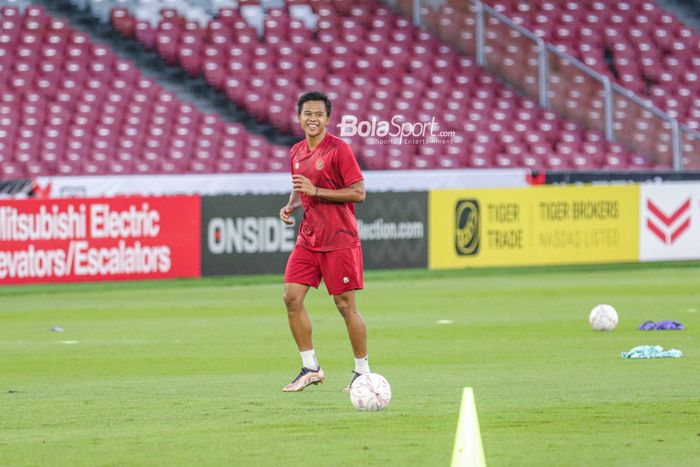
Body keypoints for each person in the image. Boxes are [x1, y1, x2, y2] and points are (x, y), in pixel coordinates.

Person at [279, 91, 370, 392]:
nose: (313, 119)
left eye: (319, 114)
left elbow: (358, 193)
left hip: (339, 239)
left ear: (328, 119)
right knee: (291, 297)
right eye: (308, 113)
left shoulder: (339, 150)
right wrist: (292, 204)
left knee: (345, 307)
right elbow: (301, 187)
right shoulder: (295, 152)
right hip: (309, 238)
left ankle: (363, 372)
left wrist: (316, 192)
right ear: (299, 117)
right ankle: (310, 367)